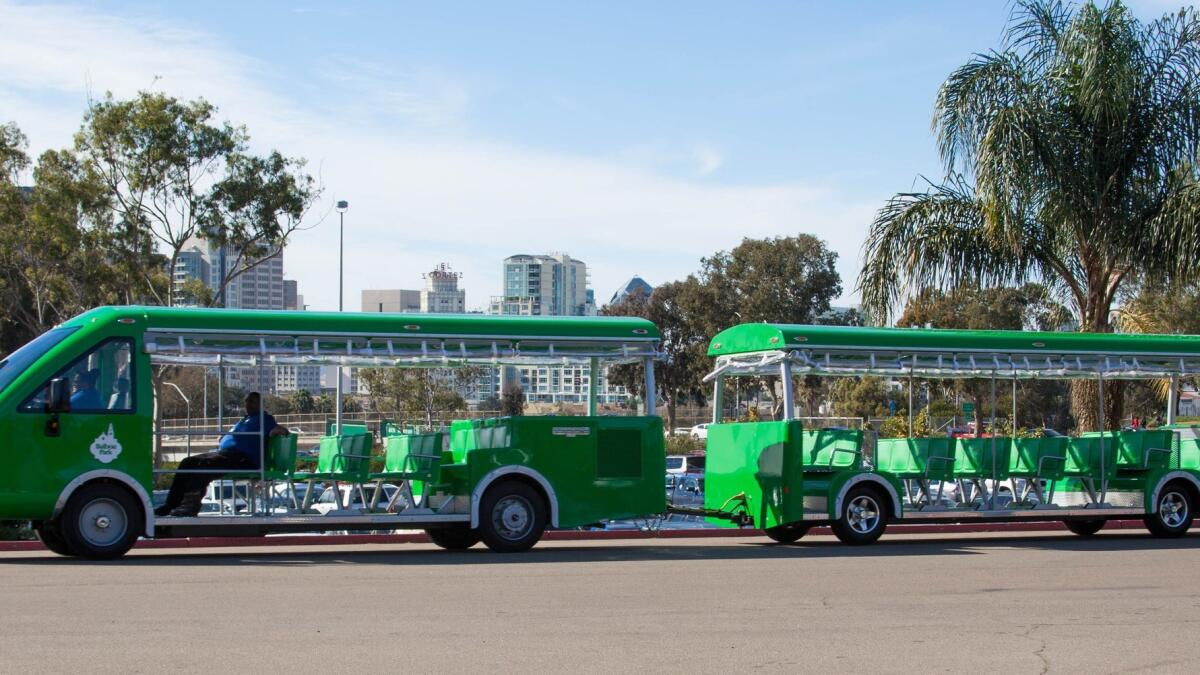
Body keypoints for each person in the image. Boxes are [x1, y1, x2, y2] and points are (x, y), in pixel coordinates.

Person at [156, 392, 289, 517]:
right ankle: (171, 504)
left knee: (204, 465)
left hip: (241, 458)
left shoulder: (265, 419)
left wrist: (281, 433)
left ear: (260, 404)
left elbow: (277, 429)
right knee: (187, 462)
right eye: (246, 401)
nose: (248, 404)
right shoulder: (244, 420)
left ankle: (191, 504)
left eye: (252, 401)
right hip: (224, 453)